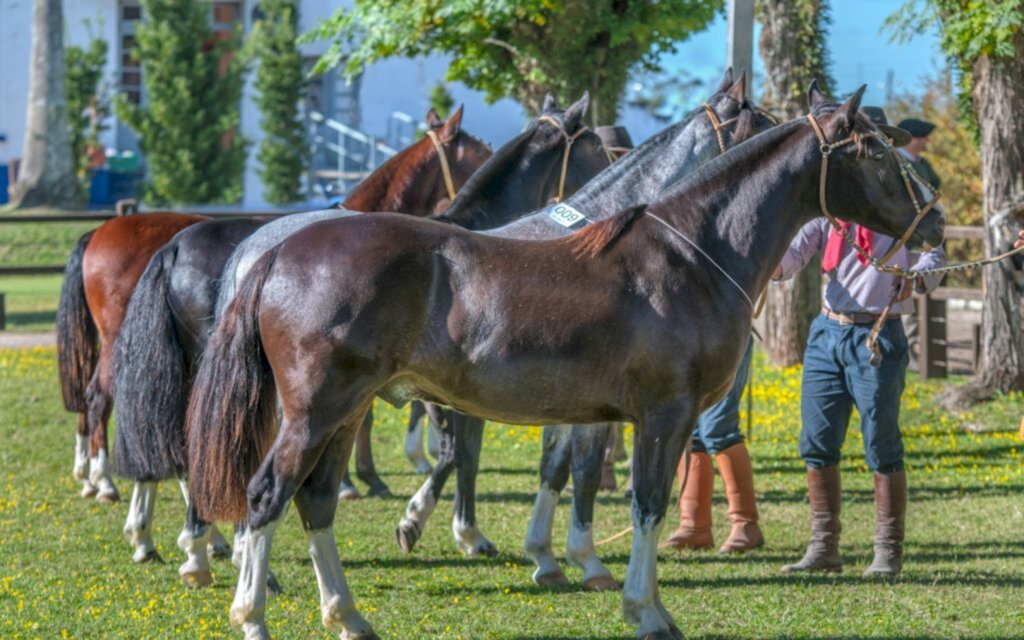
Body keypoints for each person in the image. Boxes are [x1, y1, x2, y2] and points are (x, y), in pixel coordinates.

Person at [774, 108, 946, 577]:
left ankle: (887, 552)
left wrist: (917, 280)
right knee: (817, 441)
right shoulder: (833, 203)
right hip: (827, 332)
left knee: (881, 444)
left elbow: (936, 251)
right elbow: (795, 254)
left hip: (876, 334)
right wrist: (766, 260)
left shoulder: (904, 198)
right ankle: (823, 547)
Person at [664, 337, 764, 554]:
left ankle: (746, 524)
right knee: (690, 431)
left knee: (719, 428)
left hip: (724, 331)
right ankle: (694, 526)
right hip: (685, 333)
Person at [896, 117, 942, 365]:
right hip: (901, 235)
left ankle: (910, 349)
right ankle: (908, 351)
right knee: (902, 291)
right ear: (912, 138)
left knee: (915, 288)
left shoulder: (920, 163)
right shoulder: (898, 162)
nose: (926, 142)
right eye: (923, 137)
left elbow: (934, 188)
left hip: (922, 234)